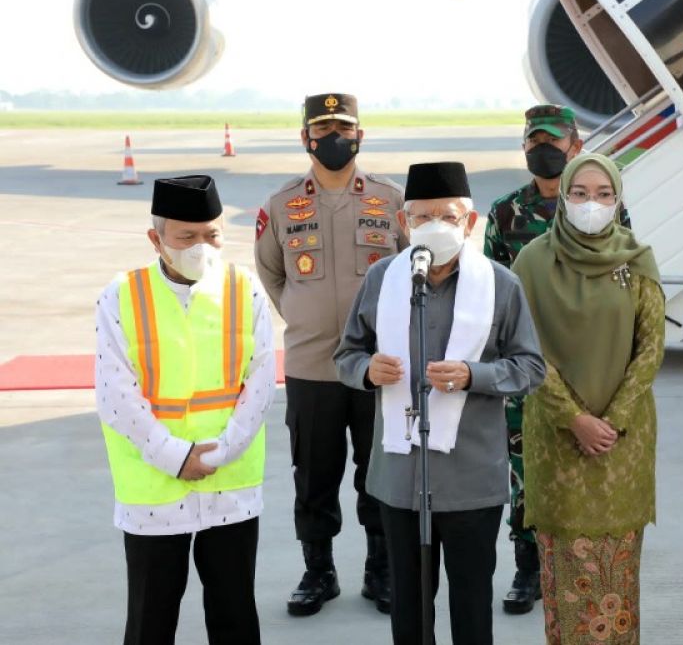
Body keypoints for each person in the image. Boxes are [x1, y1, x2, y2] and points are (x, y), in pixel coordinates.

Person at [335, 161, 546, 645]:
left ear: (470, 223)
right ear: (404, 222)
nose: (434, 227)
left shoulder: (500, 284)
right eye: (421, 217)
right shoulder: (383, 279)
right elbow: (346, 354)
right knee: (408, 605)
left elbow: (531, 368)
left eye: (447, 217)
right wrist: (367, 370)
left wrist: (477, 375)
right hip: (399, 478)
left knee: (472, 603)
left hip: (470, 476)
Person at [95, 175, 275, 644]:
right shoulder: (122, 295)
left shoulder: (246, 289)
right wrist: (175, 455)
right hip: (154, 486)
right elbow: (116, 393)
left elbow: (259, 382)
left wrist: (219, 453)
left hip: (229, 481)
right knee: (151, 616)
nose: (202, 246)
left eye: (212, 234)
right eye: (187, 237)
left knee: (235, 610)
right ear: (157, 239)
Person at [255, 93, 406, 616]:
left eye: (344, 128)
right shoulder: (281, 204)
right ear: (305, 138)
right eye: (323, 129)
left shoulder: (390, 200)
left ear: (360, 136)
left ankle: (379, 568)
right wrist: (304, 314)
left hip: (376, 367)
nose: (334, 138)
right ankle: (319, 571)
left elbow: (410, 268)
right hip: (311, 367)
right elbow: (272, 274)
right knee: (314, 475)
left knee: (378, 470)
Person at [484, 104, 632, 614]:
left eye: (553, 140)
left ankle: (582, 559)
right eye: (533, 140)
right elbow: (494, 293)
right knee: (527, 472)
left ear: (576, 145)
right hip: (529, 366)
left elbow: (625, 283)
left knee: (588, 466)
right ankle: (528, 569)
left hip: (591, 364)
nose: (542, 149)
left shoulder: (600, 207)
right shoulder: (504, 213)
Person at [513, 153, 664, 644]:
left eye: (603, 194)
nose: (591, 204)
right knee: (564, 575)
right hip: (557, 443)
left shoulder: (636, 259)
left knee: (617, 577)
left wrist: (613, 419)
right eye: (580, 193)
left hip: (624, 445)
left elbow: (651, 349)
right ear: (564, 198)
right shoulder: (533, 261)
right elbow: (523, 348)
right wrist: (574, 418)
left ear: (618, 199)